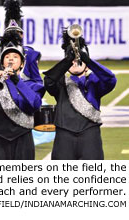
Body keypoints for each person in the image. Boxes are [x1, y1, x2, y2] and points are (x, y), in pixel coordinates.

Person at [43, 27, 117, 160]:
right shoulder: (60, 82)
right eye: (73, 60)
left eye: (80, 60)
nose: (76, 62)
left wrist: (88, 60)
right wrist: (67, 60)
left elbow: (111, 80)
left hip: (90, 136)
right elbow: (48, 82)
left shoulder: (94, 81)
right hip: (64, 137)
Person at [0, 33, 45, 160]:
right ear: (2, 64)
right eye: (7, 57)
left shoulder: (31, 85)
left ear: (22, 64)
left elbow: (35, 104)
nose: (11, 59)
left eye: (15, 57)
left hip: (23, 140)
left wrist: (16, 81)